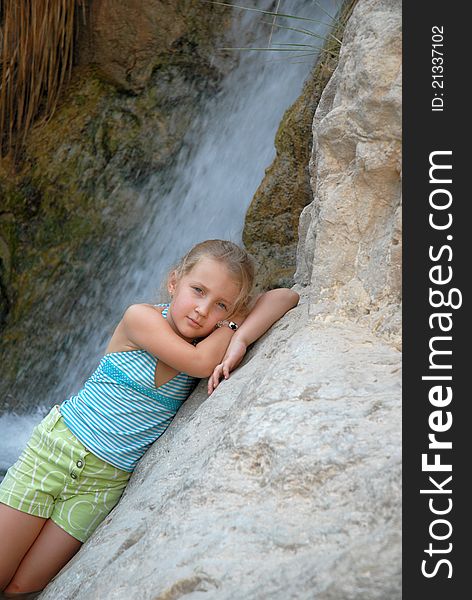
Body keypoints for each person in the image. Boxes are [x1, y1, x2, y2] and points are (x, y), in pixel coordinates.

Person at [0, 239, 299, 596]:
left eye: (220, 304)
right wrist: (231, 327)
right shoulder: (139, 318)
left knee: (22, 586)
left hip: (104, 482)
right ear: (174, 282)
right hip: (55, 452)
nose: (203, 310)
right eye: (197, 291)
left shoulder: (215, 335)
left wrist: (241, 335)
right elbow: (202, 364)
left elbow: (285, 297)